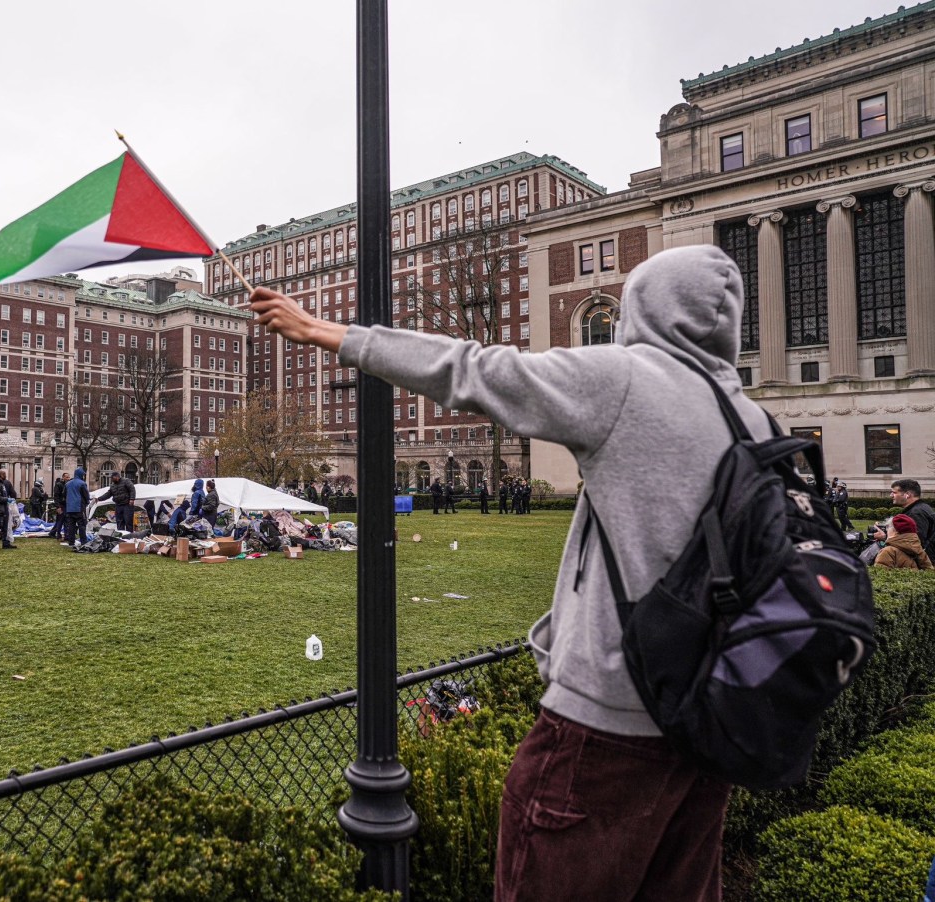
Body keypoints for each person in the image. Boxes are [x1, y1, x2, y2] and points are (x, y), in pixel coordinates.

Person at [252, 244, 771, 901]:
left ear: (643, 308)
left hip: (608, 728)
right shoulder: (749, 416)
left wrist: (325, 330)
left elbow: (472, 369)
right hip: (708, 727)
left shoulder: (626, 381)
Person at [887, 479, 935, 560]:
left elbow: (915, 543)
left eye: (894, 492)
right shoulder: (921, 508)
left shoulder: (916, 513)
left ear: (907, 494)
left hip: (921, 563)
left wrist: (887, 537)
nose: (891, 495)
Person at [63, 467, 90, 547]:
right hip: (79, 507)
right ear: (81, 475)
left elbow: (64, 494)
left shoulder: (68, 484)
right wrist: (87, 502)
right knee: (81, 525)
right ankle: (83, 542)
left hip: (70, 508)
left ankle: (71, 542)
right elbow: (86, 495)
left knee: (71, 525)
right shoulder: (82, 483)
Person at [49, 472, 69, 540]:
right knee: (60, 520)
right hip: (61, 505)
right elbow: (56, 496)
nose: (68, 478)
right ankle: (57, 534)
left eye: (68, 477)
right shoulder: (59, 485)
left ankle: (64, 534)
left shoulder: (66, 484)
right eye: (67, 477)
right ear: (63, 477)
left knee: (64, 520)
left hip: (65, 504)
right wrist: (58, 506)